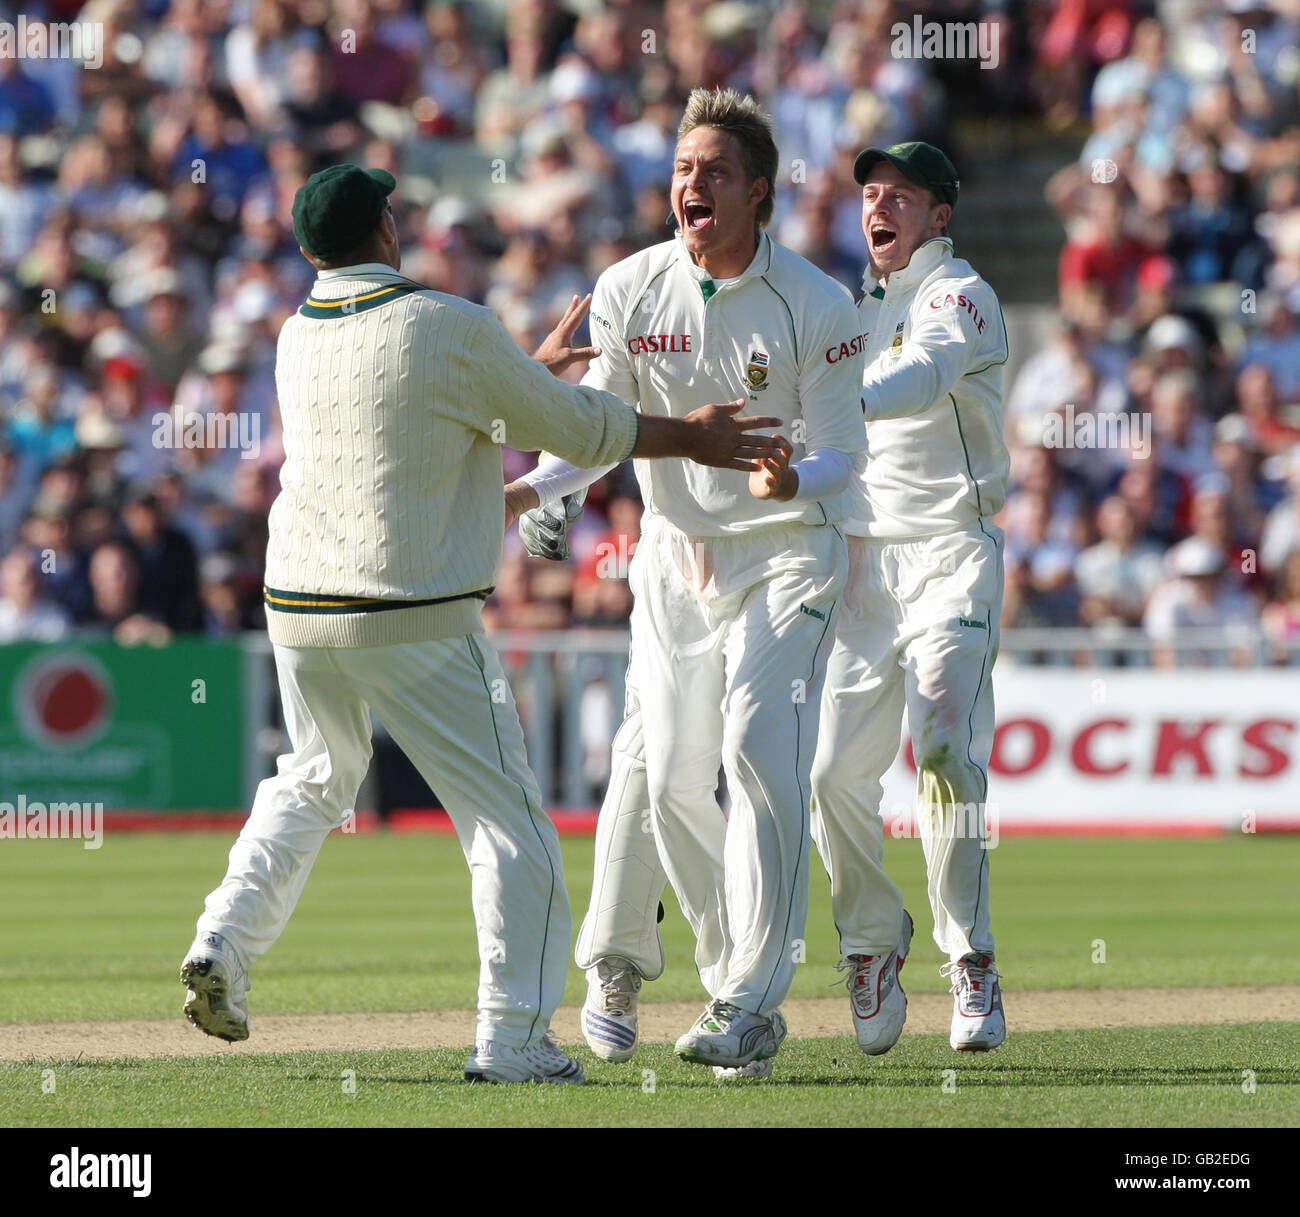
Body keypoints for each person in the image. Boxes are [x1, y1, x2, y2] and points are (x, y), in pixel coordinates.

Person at [178, 162, 783, 1086]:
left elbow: (417, 412)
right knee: (513, 828)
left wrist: (519, 372)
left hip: (298, 609)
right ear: (386, 231)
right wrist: (691, 435)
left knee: (308, 782)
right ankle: (512, 1038)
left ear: (308, 251)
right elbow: (578, 432)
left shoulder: (297, 333)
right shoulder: (448, 324)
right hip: (411, 610)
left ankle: (222, 938)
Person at [520, 140, 1011, 1061]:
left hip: (945, 552)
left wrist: (824, 399)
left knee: (941, 743)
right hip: (856, 556)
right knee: (819, 777)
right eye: (870, 193)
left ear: (938, 215)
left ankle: (970, 956)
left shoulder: (958, 295)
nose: (880, 207)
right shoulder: (853, 301)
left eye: (901, 195)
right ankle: (868, 943)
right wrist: (552, 481)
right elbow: (611, 405)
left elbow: (922, 376)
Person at [508, 88, 870, 1076]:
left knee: (758, 744)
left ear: (758, 190)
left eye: (713, 170)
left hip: (791, 546)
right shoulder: (629, 286)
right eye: (680, 168)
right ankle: (685, 968)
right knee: (665, 770)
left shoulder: (817, 302)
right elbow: (598, 427)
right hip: (675, 553)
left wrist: (797, 473)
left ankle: (751, 996)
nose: (690, 183)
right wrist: (540, 493)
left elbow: (845, 452)